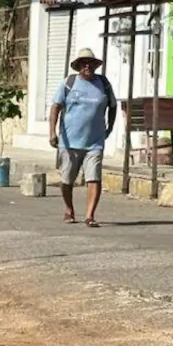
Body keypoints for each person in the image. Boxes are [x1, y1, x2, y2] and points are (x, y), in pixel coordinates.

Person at [49, 48, 117, 227]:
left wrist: (110, 127)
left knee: (94, 178)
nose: (87, 66)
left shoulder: (103, 84)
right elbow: (56, 107)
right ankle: (69, 209)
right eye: (84, 63)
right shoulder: (69, 83)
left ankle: (90, 215)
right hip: (69, 141)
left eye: (90, 63)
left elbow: (113, 106)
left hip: (95, 142)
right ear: (78, 66)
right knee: (67, 180)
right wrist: (52, 133)